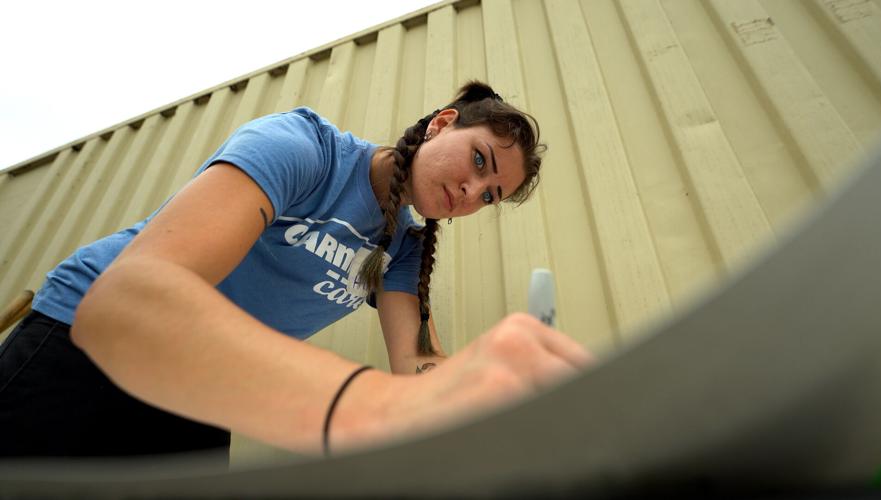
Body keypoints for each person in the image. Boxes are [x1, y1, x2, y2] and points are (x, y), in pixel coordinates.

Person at [0, 81, 592, 459]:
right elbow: (126, 302)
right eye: (479, 160)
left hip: (202, 391)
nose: (471, 190)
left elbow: (419, 372)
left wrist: (493, 397)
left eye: (490, 195)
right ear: (442, 124)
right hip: (79, 338)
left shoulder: (405, 249)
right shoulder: (307, 149)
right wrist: (371, 411)